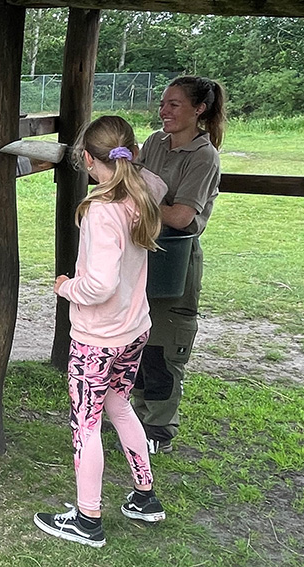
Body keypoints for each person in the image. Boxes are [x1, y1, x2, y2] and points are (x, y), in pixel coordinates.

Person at [34, 116, 168, 548]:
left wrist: (66, 287)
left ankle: (87, 519)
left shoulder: (101, 210)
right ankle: (144, 497)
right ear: (132, 153)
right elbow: (153, 179)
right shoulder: (144, 190)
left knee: (86, 426)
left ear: (88, 160)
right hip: (134, 329)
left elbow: (99, 285)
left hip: (97, 339)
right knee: (120, 406)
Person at [132, 76, 225, 454]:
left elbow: (182, 217)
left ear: (199, 109)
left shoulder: (204, 156)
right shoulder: (155, 142)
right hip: (142, 250)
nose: (163, 111)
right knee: (136, 339)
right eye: (162, 103)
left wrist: (139, 199)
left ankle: (158, 431)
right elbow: (131, 184)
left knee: (163, 345)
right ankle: (134, 421)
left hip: (175, 256)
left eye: (174, 104)